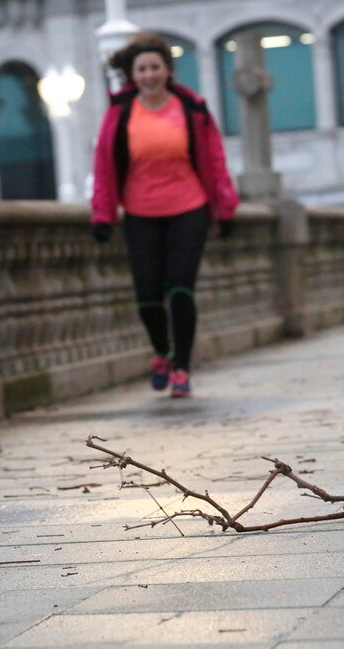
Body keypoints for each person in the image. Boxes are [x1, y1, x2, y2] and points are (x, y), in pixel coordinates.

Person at [90, 32, 239, 398]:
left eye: (156, 66)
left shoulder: (192, 109)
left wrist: (225, 206)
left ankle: (182, 370)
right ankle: (162, 352)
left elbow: (215, 160)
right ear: (132, 73)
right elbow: (105, 165)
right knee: (147, 297)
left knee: (181, 290)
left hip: (189, 207)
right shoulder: (119, 113)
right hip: (140, 212)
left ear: (168, 70)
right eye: (142, 68)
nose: (150, 74)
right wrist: (102, 215)